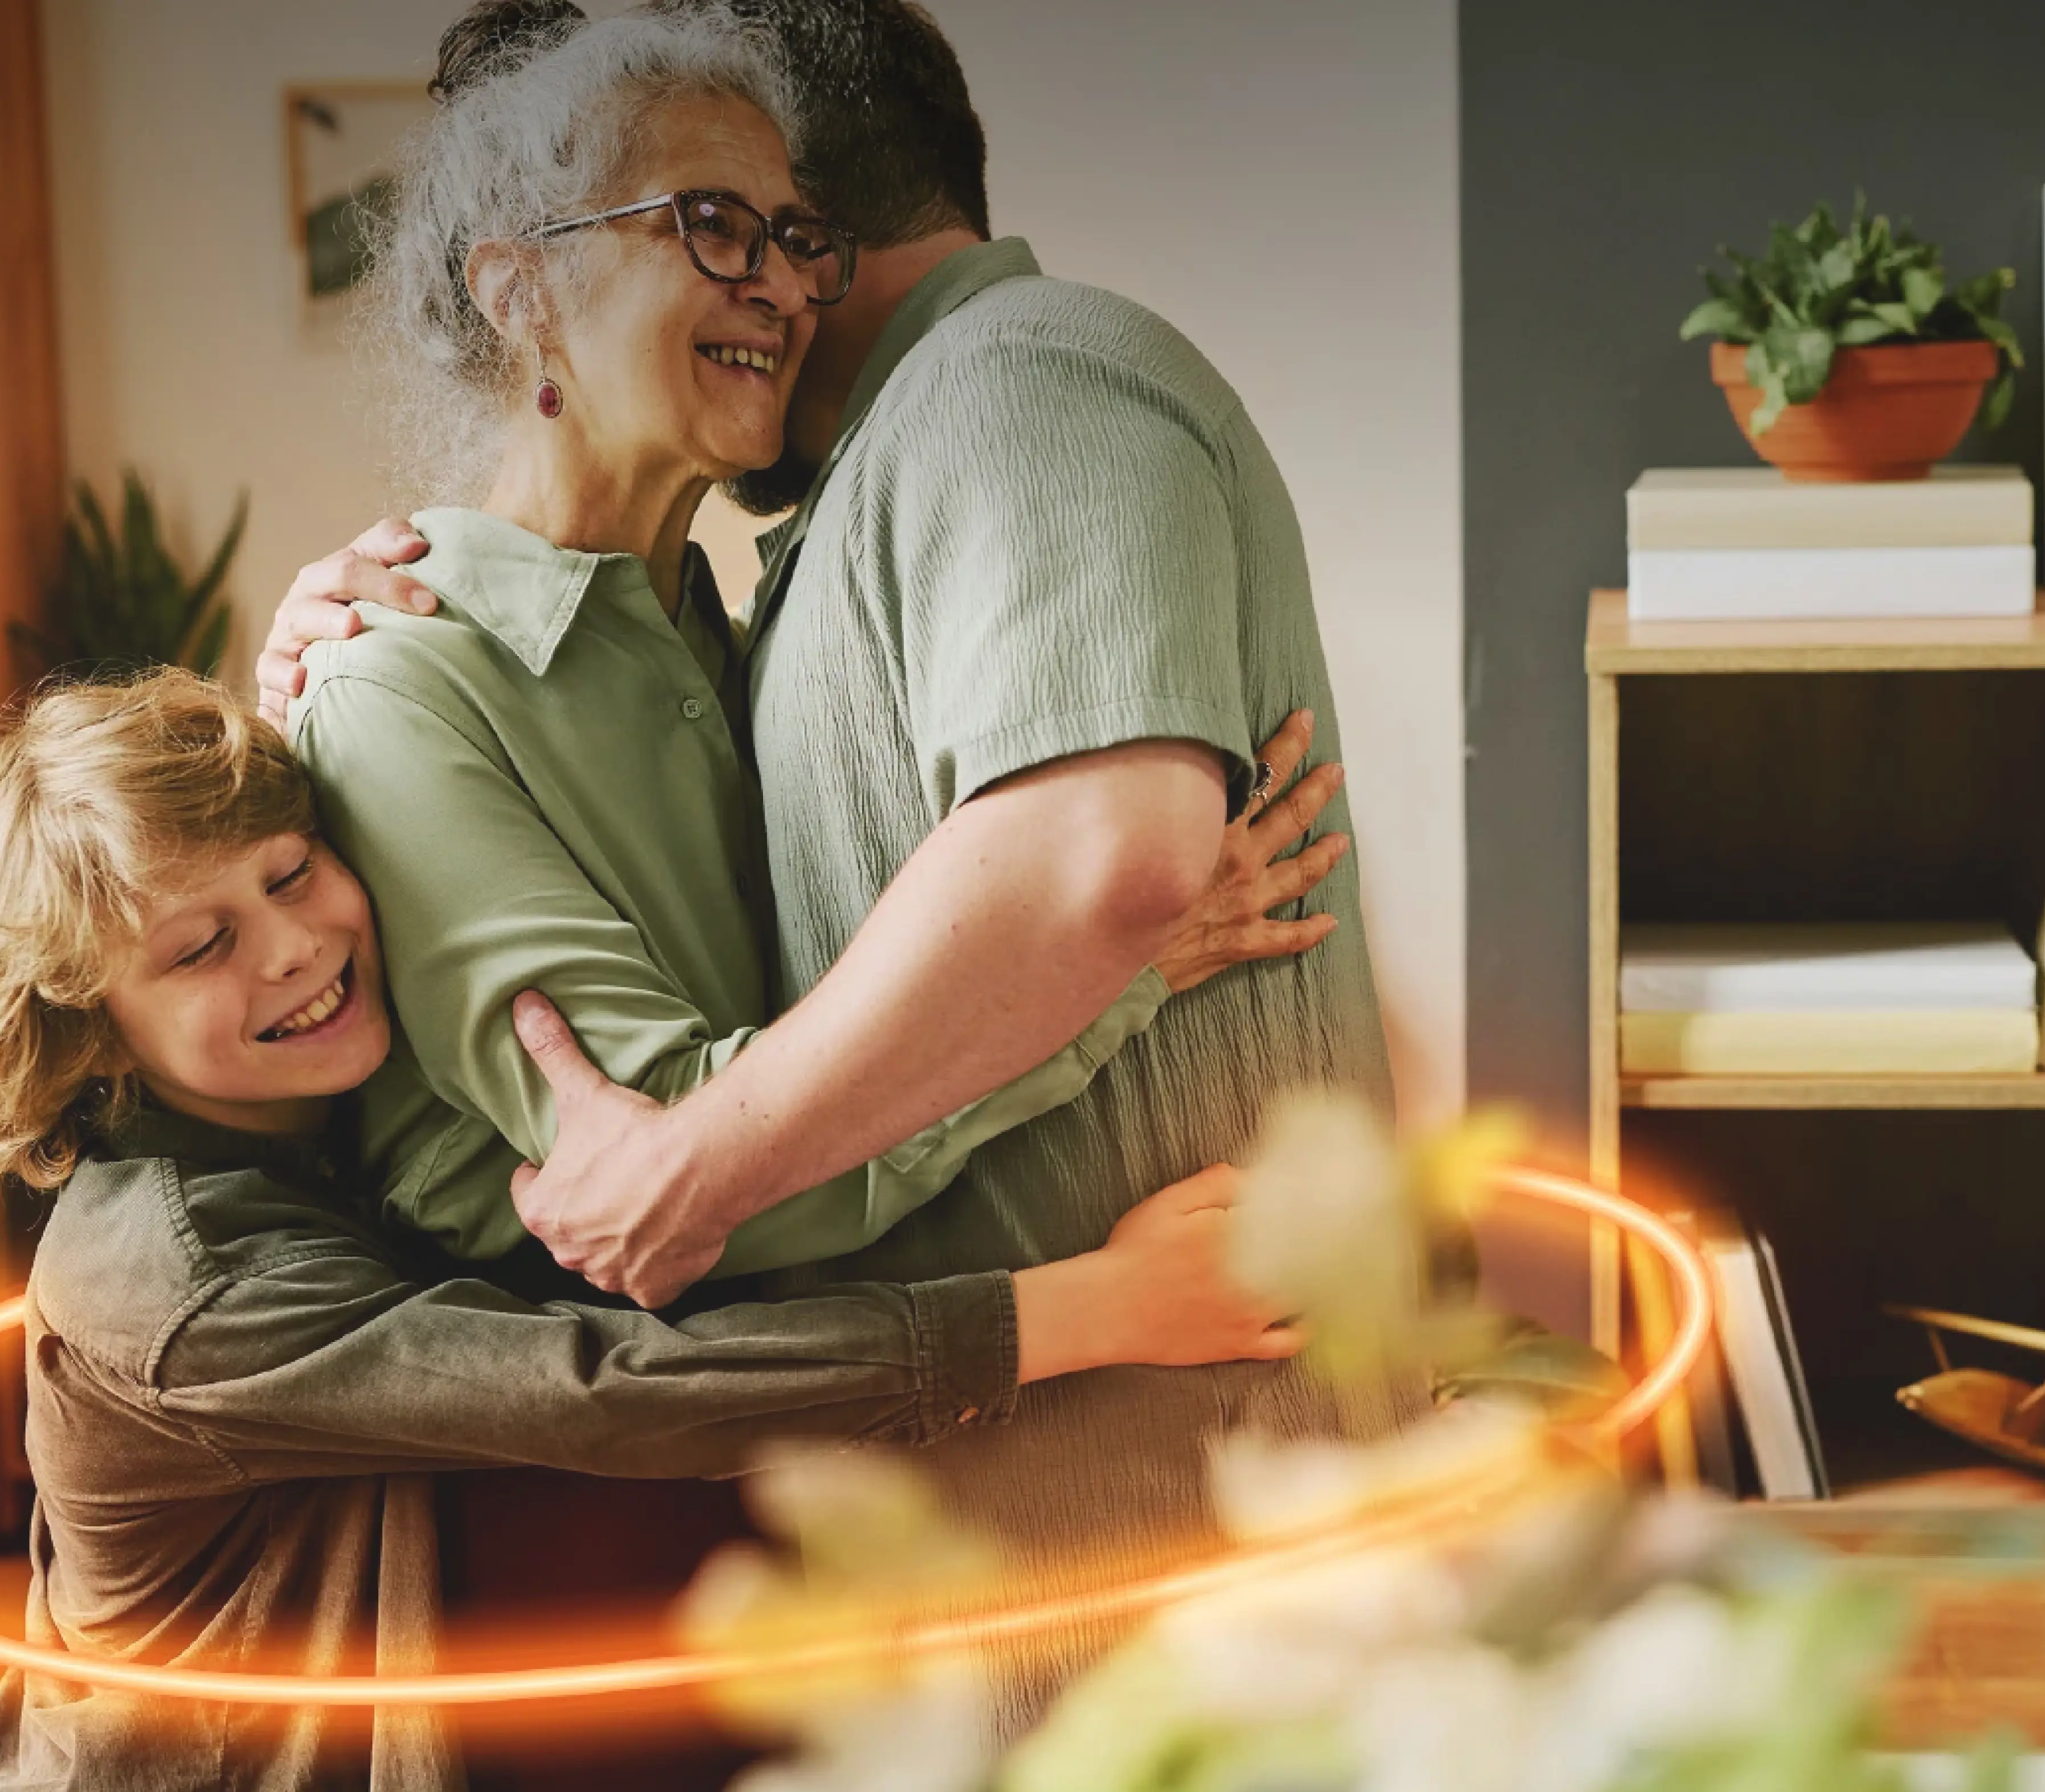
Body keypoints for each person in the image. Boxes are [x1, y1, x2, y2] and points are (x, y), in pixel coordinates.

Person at [261, 0, 1401, 1724]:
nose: (782, 285)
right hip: (617, 1551)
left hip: (1012, 1520)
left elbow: (745, 1121)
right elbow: (686, 1183)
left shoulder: (718, 619)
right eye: (714, 226)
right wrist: (1126, 986)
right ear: (521, 290)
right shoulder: (401, 663)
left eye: (797, 236)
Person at [0, 669, 1304, 1792]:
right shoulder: (170, 1279)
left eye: (288, 870)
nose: (288, 945)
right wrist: (1092, 1311)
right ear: (89, 1035)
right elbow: (600, 1389)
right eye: (198, 947)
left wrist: (1102, 970)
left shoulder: (324, 1109)